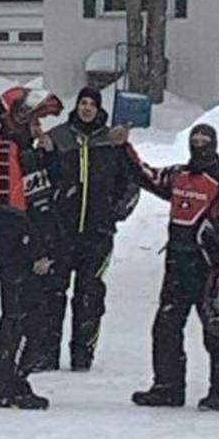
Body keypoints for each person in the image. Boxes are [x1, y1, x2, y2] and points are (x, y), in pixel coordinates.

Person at [127, 122, 219, 411]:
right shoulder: (179, 175)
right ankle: (167, 388)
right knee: (166, 328)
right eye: (195, 139)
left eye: (205, 139)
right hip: (177, 266)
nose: (200, 143)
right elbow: (147, 175)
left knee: (218, 331)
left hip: (210, 270)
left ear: (215, 143)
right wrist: (123, 147)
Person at [0, 85, 65, 409]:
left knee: (23, 316)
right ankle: (11, 382)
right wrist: (36, 251)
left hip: (28, 247)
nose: (38, 127)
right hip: (13, 251)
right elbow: (8, 213)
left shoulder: (28, 151)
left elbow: (52, 187)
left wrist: (50, 150)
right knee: (25, 318)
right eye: (34, 121)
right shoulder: (3, 154)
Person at [40, 84, 139, 371]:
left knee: (90, 294)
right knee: (52, 293)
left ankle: (83, 353)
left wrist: (114, 214)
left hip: (97, 234)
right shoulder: (58, 137)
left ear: (98, 109)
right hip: (60, 232)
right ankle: (47, 351)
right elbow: (41, 177)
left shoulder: (112, 140)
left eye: (91, 104)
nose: (86, 108)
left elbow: (131, 181)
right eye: (82, 102)